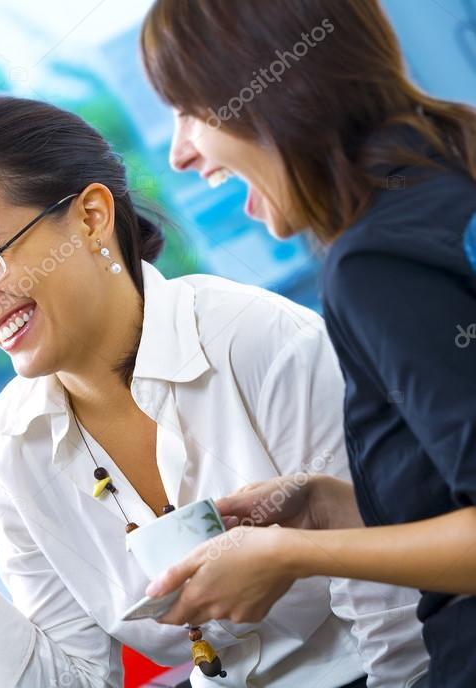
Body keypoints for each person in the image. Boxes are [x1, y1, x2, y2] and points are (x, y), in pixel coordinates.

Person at [0, 95, 429, 686]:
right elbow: (76, 681)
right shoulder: (8, 448)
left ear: (91, 216)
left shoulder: (255, 339)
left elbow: (394, 614)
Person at [138, 1, 476, 685]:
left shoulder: (375, 262)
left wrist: (291, 556)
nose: (179, 152)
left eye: (189, 111)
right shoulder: (445, 172)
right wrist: (326, 506)